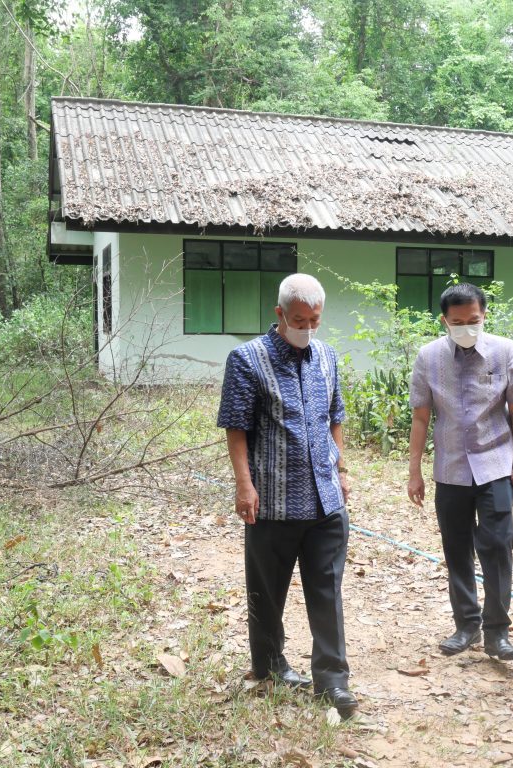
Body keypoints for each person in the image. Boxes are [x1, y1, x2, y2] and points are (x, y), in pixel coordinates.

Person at [216, 273, 358, 718]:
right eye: (299, 320)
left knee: (327, 591)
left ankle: (332, 681)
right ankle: (269, 665)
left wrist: (341, 468)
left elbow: (335, 415)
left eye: (315, 320)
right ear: (280, 314)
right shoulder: (247, 360)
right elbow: (236, 427)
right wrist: (244, 485)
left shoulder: (327, 356)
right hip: (273, 500)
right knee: (267, 591)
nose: (308, 328)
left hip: (325, 500)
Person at [407, 283, 513, 661]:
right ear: (444, 321)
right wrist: (415, 471)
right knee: (457, 548)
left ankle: (498, 632)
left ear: (484, 315)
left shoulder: (504, 351)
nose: (466, 328)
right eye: (458, 322)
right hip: (450, 469)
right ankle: (466, 625)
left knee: (498, 545)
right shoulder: (429, 357)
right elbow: (420, 417)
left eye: (473, 320)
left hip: (495, 464)